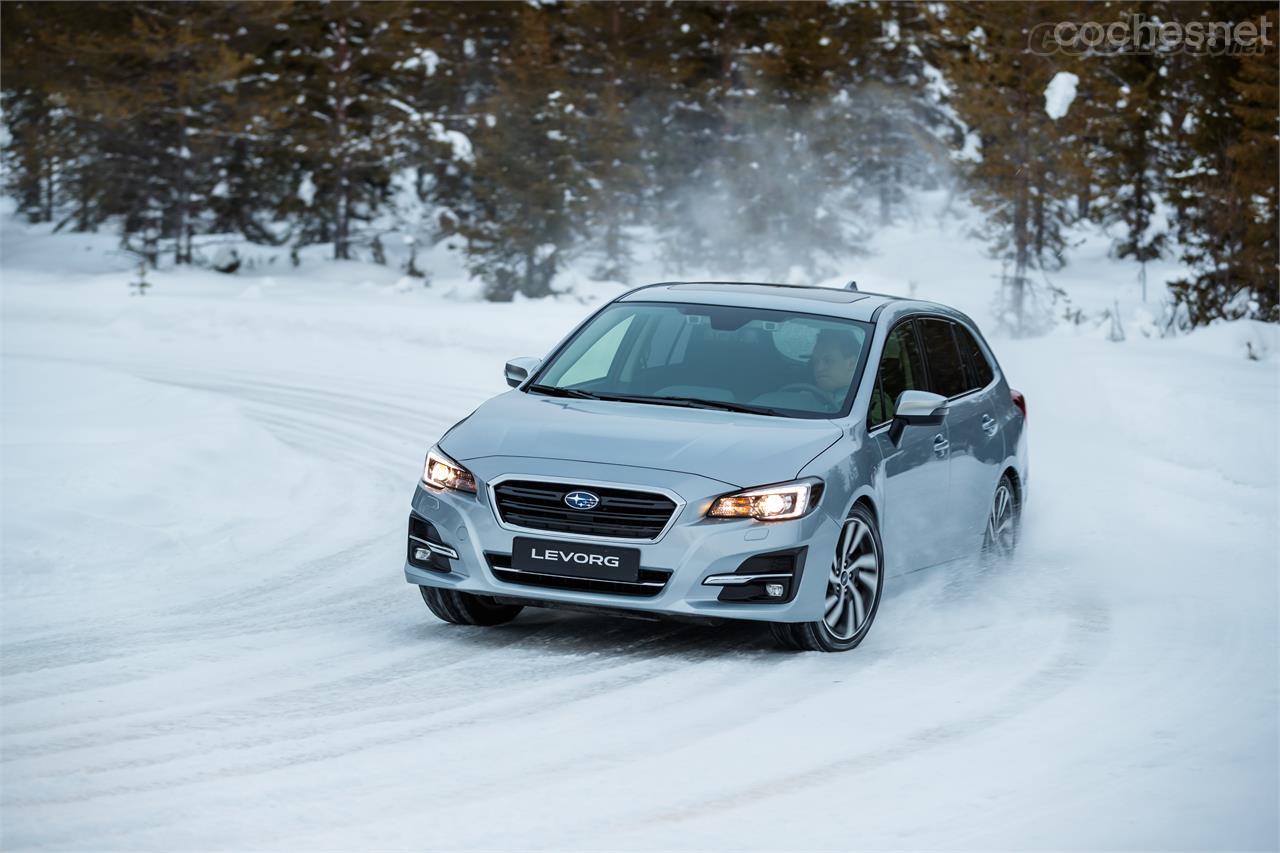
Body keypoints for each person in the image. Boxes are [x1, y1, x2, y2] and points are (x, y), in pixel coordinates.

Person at [810, 328, 861, 404]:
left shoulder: (865, 402)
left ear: (852, 363)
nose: (819, 368)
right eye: (815, 361)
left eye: (828, 361)